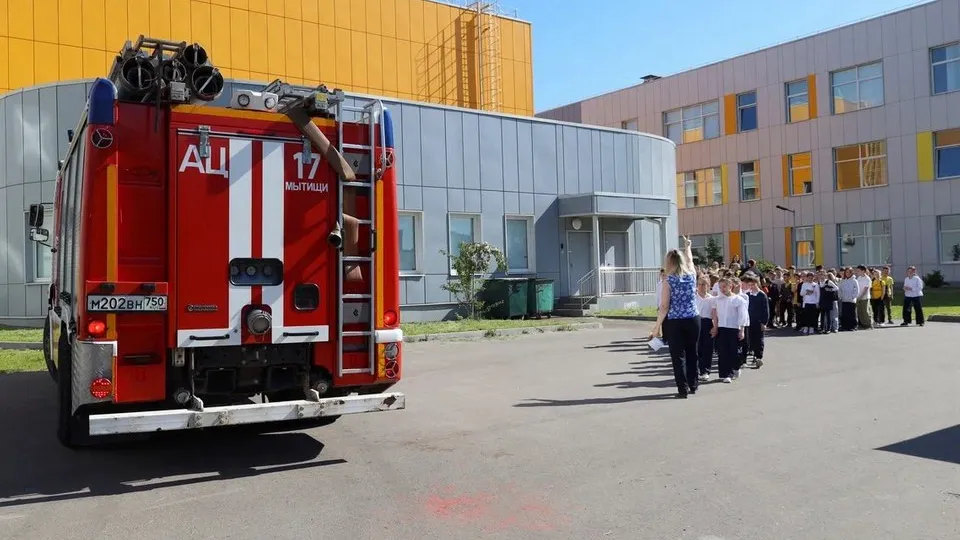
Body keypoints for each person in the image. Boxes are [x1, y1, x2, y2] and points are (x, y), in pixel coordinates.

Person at [652, 236, 701, 398]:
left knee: (678, 356)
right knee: (692, 352)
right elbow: (690, 260)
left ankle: (683, 388)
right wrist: (688, 246)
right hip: (693, 318)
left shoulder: (668, 280)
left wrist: (657, 326)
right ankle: (694, 384)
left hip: (675, 321)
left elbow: (664, 306)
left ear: (669, 263)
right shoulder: (692, 275)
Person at [710, 277, 749, 383]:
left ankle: (736, 367)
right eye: (720, 287)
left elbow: (743, 316)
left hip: (734, 328)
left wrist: (741, 330)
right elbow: (714, 314)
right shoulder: (717, 300)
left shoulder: (738, 300)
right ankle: (726, 374)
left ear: (730, 286)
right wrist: (715, 327)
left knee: (734, 352)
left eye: (724, 287)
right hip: (722, 328)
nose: (722, 289)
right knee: (722, 352)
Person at [741, 274, 768, 369]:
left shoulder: (762, 295)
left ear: (757, 284)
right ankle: (752, 355)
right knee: (750, 339)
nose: (751, 287)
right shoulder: (747, 295)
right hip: (749, 321)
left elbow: (765, 310)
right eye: (750, 285)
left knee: (759, 339)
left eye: (753, 284)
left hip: (759, 321)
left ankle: (758, 357)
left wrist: (764, 322)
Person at [695, 276, 715, 381]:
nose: (702, 287)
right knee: (697, 348)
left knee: (707, 348)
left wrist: (715, 327)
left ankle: (706, 370)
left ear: (708, 286)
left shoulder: (712, 299)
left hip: (707, 323)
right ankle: (697, 369)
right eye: (700, 284)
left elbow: (715, 315)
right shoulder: (693, 298)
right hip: (696, 322)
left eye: (704, 284)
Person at [855, 265, 873, 329]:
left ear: (863, 271)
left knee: (865, 311)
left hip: (865, 298)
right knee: (860, 311)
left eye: (858, 271)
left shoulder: (867, 279)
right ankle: (863, 324)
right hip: (858, 297)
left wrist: (860, 297)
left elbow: (865, 289)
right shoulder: (859, 278)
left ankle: (869, 324)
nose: (857, 272)